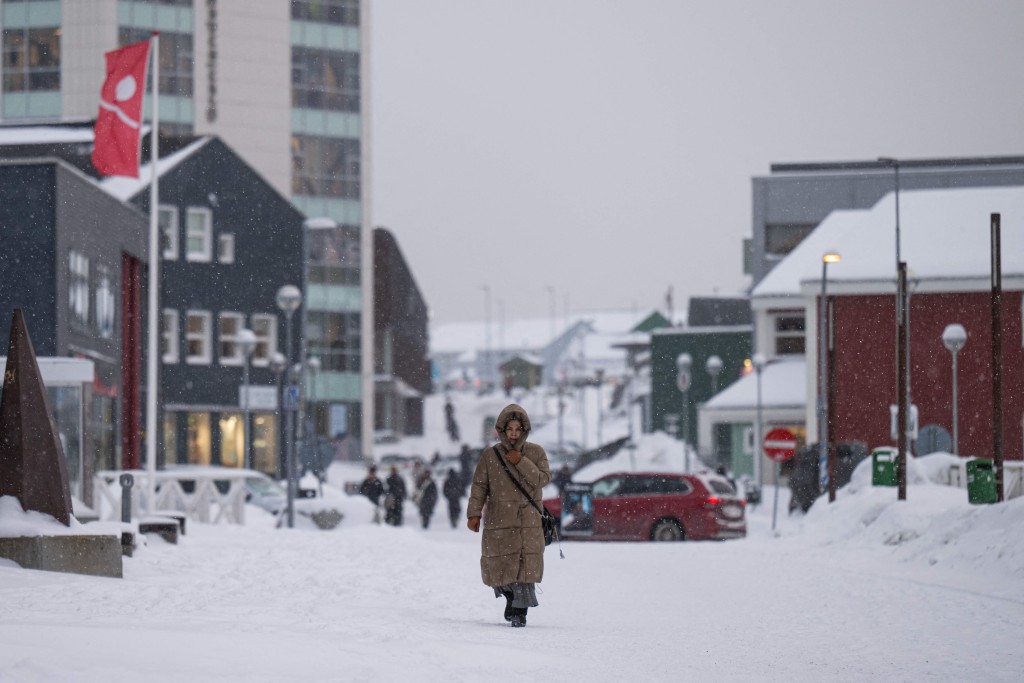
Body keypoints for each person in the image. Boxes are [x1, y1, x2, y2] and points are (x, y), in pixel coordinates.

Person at [467, 403, 552, 628]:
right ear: (502, 430)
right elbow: (479, 486)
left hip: (528, 522)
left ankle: (519, 612)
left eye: (518, 429)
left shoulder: (536, 452)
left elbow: (542, 479)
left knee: (524, 570)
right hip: (499, 521)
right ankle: (510, 598)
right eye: (509, 429)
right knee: (500, 568)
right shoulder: (490, 455)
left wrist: (521, 461)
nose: (513, 434)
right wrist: (473, 514)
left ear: (524, 430)